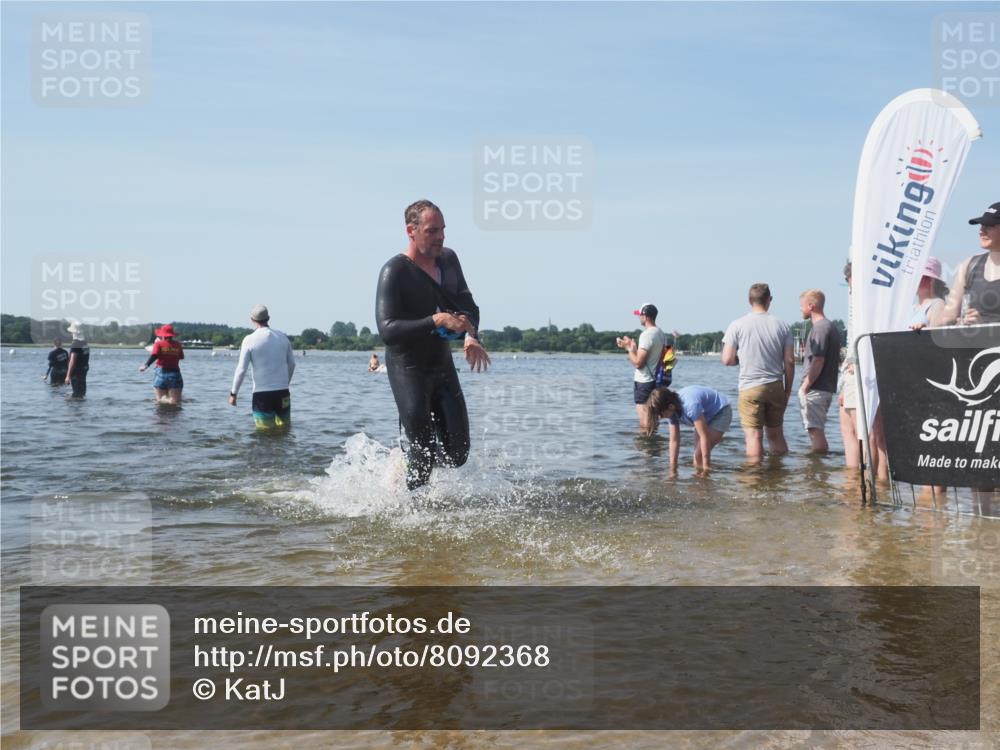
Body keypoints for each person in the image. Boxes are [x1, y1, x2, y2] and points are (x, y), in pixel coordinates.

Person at [375, 199, 491, 490]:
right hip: (407, 369)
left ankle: (403, 458)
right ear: (411, 231)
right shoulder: (395, 271)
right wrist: (436, 319)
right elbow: (388, 330)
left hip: (441, 365)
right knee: (422, 454)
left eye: (442, 230)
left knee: (458, 453)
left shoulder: (448, 260)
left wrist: (470, 335)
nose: (440, 237)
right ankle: (409, 515)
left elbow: (468, 307)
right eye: (432, 231)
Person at [721, 283, 794, 459]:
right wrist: (787, 390)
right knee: (776, 435)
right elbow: (790, 361)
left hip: (750, 386)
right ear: (770, 300)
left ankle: (755, 480)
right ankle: (779, 474)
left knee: (753, 437)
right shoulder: (783, 325)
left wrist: (741, 359)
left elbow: (727, 359)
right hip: (775, 385)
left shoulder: (737, 325)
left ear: (749, 300)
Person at [931, 202, 1000, 326]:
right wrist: (925, 328)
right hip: (971, 344)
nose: (981, 231)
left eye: (989, 226)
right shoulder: (970, 265)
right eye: (981, 225)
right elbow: (948, 317)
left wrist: (984, 327)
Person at [229, 304, 296, 429]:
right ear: (268, 318)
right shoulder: (283, 337)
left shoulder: (249, 340)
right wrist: (285, 383)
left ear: (252, 320)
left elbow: (241, 370)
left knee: (264, 433)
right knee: (285, 429)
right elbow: (292, 364)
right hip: (283, 392)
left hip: (262, 394)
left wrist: (233, 394)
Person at [643, 385, 731, 475]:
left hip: (720, 411)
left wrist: (706, 468)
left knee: (699, 457)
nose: (661, 418)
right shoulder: (670, 409)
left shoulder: (690, 406)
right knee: (697, 460)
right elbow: (674, 441)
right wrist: (673, 470)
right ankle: (700, 482)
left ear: (671, 406)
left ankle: (707, 475)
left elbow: (704, 437)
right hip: (704, 413)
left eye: (661, 415)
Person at [798, 289, 841, 453]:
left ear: (811, 305)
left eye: (802, 306)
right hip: (825, 387)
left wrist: (805, 386)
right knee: (816, 430)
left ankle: (817, 469)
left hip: (817, 388)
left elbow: (818, 359)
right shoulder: (829, 326)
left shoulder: (820, 328)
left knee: (815, 431)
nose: (801, 309)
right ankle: (819, 468)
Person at [616, 303, 666, 433]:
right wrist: (633, 348)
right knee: (653, 417)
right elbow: (656, 359)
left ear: (646, 316)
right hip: (656, 381)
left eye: (640, 315)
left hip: (644, 382)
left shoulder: (647, 335)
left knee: (645, 420)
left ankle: (645, 449)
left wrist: (627, 349)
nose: (639, 317)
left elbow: (639, 363)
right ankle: (654, 447)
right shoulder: (661, 333)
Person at [139, 324, 184, 405]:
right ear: (172, 335)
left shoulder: (158, 344)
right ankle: (174, 416)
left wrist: (145, 365)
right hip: (175, 374)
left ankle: (162, 416)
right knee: (175, 402)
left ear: (162, 335)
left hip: (161, 374)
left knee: (160, 402)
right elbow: (181, 357)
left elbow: (154, 355)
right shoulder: (178, 345)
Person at [909, 256, 949, 328]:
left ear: (931, 280)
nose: (915, 280)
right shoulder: (912, 308)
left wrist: (925, 330)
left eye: (919, 276)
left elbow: (937, 336)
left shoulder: (937, 305)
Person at [64, 321, 90, 398]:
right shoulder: (85, 343)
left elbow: (72, 361)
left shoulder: (75, 344)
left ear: (74, 333)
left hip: (76, 373)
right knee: (82, 394)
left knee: (76, 395)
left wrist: (68, 376)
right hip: (83, 371)